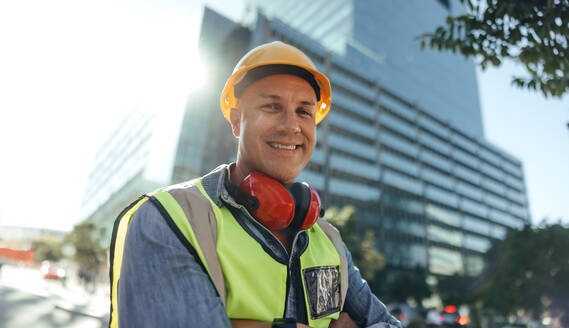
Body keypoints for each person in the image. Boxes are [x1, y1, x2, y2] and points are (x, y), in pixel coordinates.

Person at [109, 41, 400, 328]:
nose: (291, 126)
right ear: (236, 121)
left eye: (303, 111)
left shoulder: (329, 240)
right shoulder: (167, 218)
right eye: (272, 106)